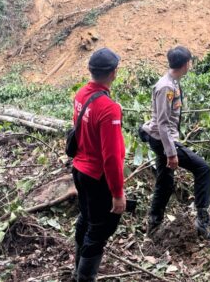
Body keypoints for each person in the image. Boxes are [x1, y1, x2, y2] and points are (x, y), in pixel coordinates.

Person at [140, 46, 210, 244]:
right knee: (202, 168)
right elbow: (162, 123)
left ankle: (153, 224)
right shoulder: (166, 87)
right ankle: (203, 224)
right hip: (162, 140)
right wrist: (171, 153)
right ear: (186, 64)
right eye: (190, 61)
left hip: (163, 138)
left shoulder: (172, 82)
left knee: (166, 183)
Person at [72, 48, 126, 282]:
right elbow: (111, 157)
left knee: (86, 218)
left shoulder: (81, 94)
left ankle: (78, 269)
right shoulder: (108, 108)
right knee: (100, 229)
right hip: (96, 177)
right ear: (113, 72)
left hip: (79, 170)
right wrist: (117, 193)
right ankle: (84, 277)